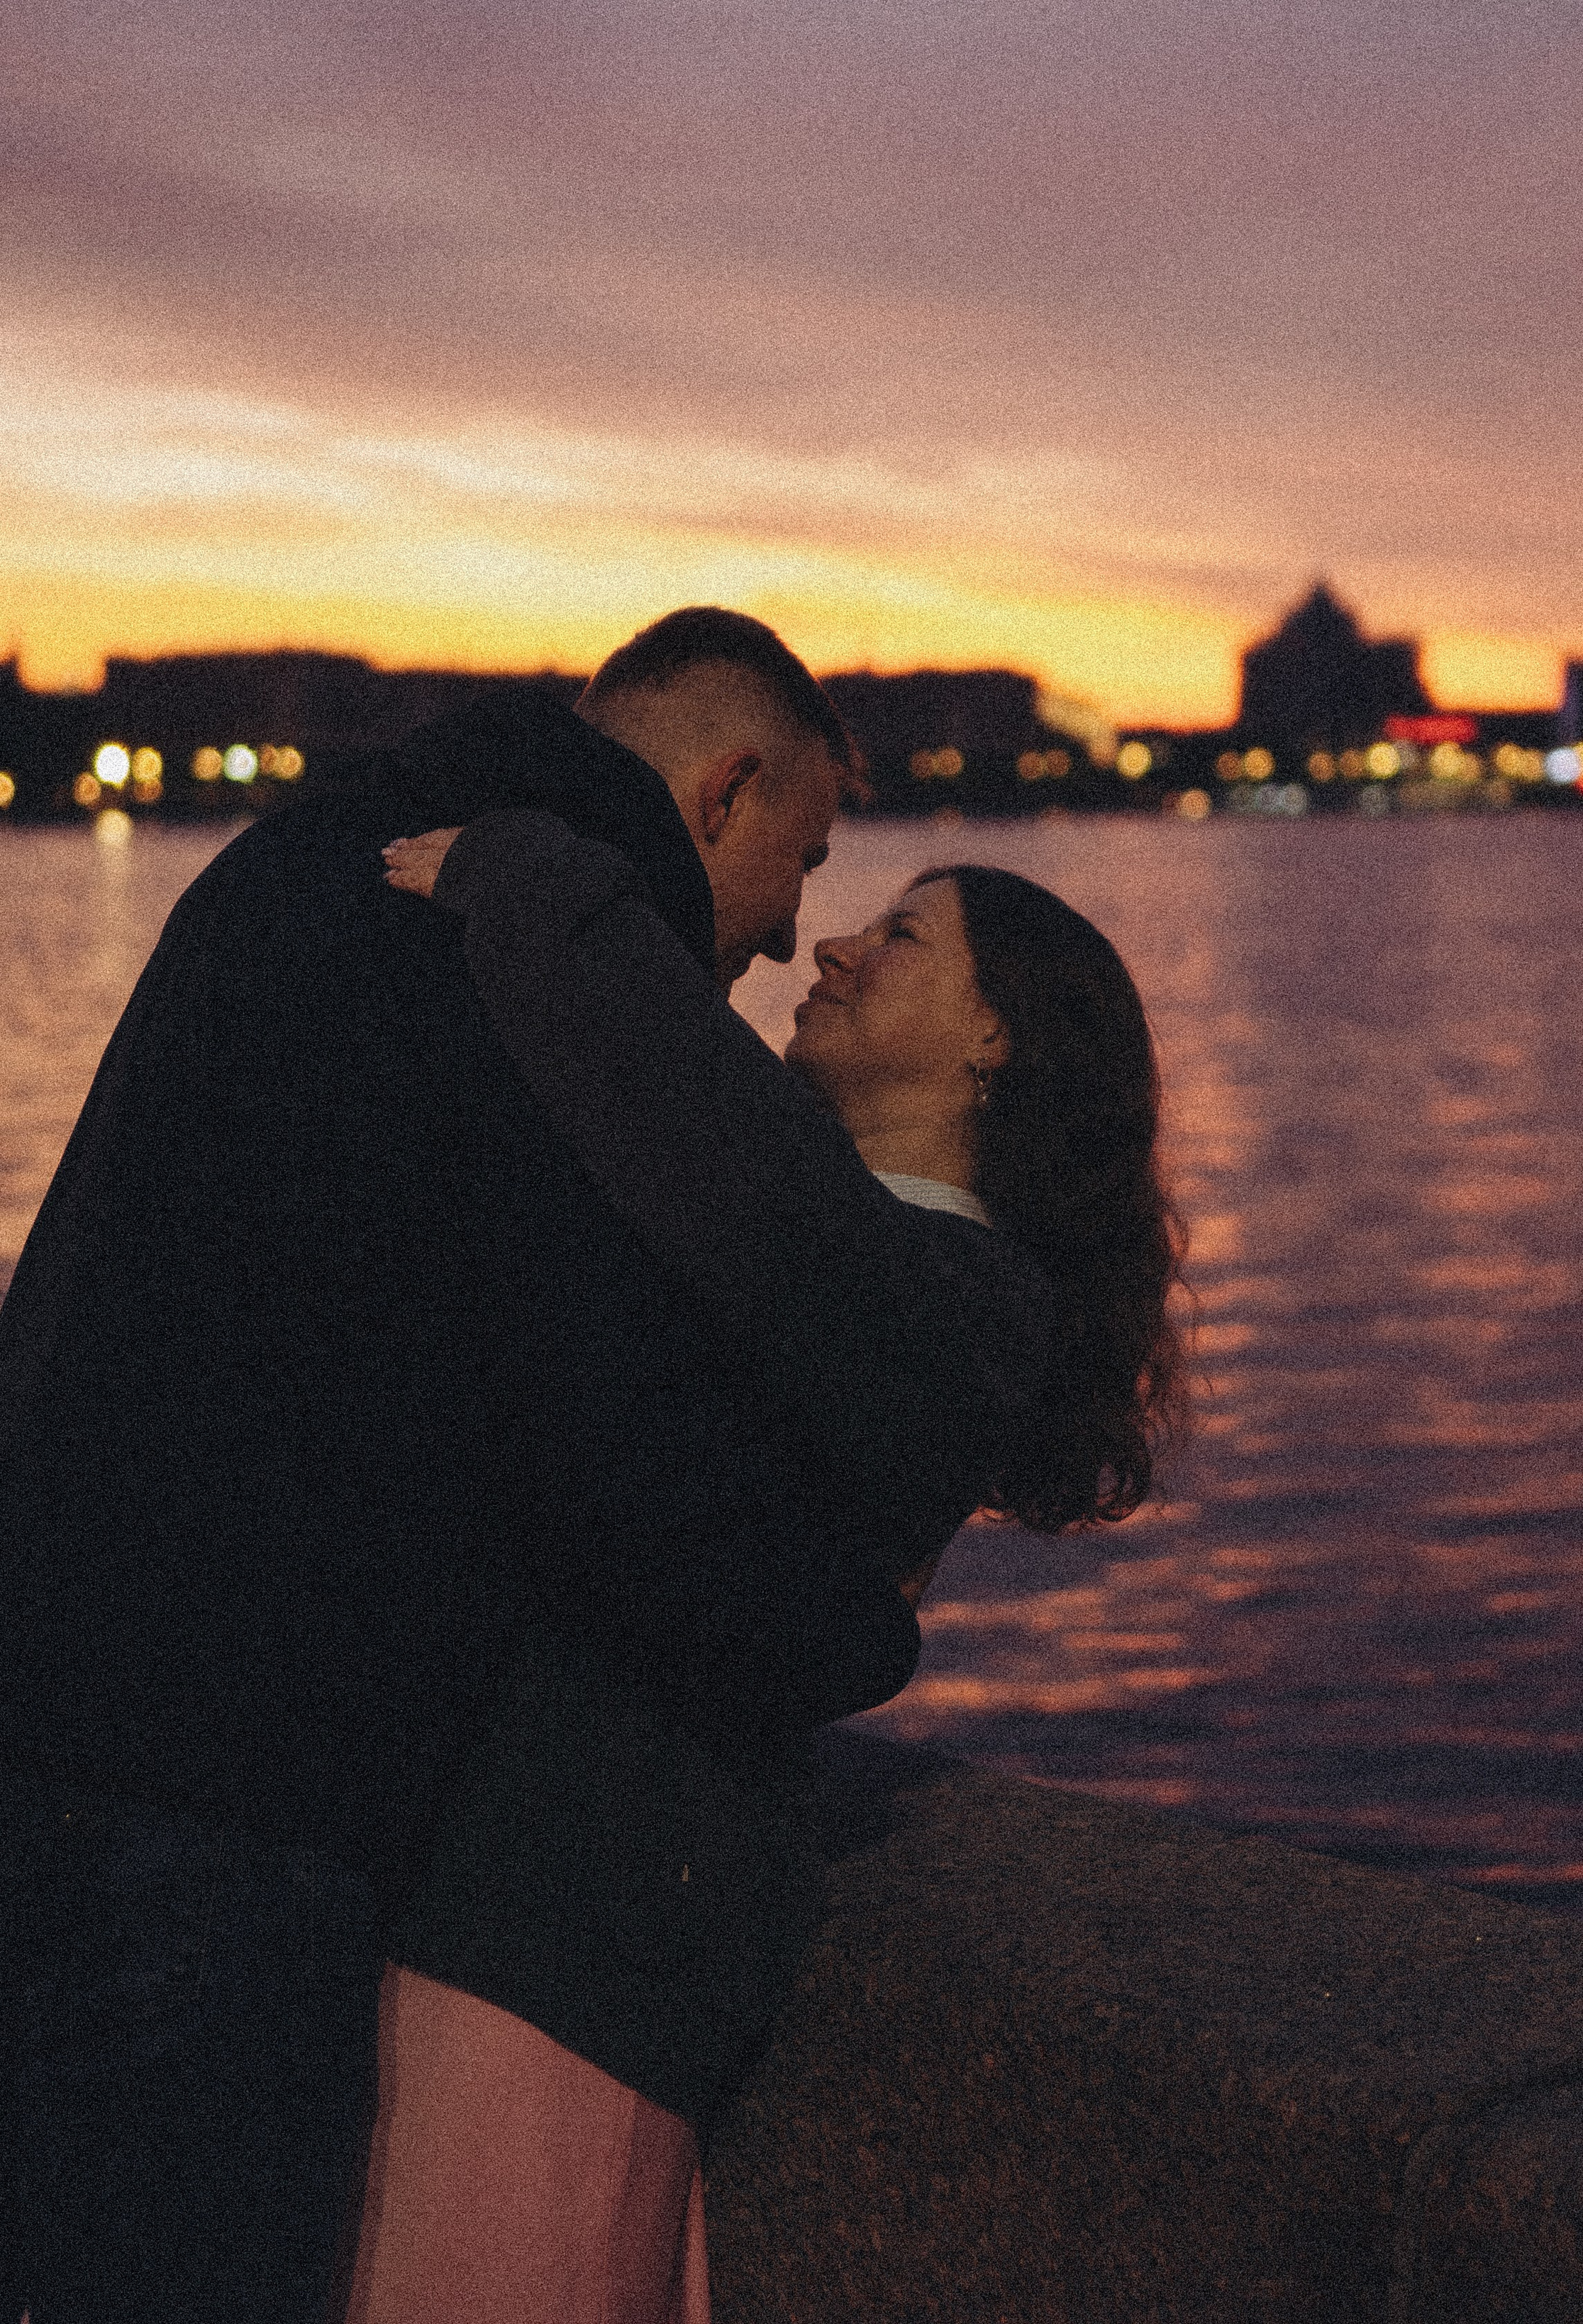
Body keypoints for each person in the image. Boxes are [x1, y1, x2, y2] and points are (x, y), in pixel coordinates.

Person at [0, 609, 933, 2324]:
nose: (794, 931)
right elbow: (598, 1413)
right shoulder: (537, 963)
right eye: (797, 859)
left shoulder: (318, 858)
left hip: (65, 1692)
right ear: (720, 792)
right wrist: (850, 1633)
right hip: (221, 1780)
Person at [344, 813, 1188, 2319]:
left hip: (579, 1928)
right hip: (525, 1902)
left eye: (906, 936)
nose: (836, 945)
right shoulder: (828, 1239)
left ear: (995, 1039)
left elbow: (699, 1129)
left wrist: (533, 886)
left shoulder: (955, 1292)